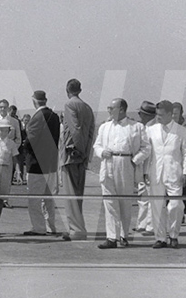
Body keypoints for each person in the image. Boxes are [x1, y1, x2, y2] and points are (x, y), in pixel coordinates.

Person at [92, 98, 150, 249]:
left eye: (112, 108)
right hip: (108, 163)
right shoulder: (104, 127)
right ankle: (111, 237)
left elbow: (146, 148)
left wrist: (135, 160)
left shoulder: (136, 127)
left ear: (122, 110)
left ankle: (124, 235)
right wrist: (101, 152)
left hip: (126, 164)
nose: (109, 110)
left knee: (124, 202)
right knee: (109, 202)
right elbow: (97, 145)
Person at [145, 100, 186, 249]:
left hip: (174, 174)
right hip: (155, 173)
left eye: (161, 115)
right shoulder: (151, 130)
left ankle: (173, 235)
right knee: (157, 207)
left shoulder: (181, 131)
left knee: (176, 206)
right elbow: (148, 153)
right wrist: (145, 172)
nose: (158, 117)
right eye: (157, 114)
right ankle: (160, 238)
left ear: (170, 115)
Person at [59, 78, 96, 241]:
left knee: (70, 193)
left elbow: (75, 129)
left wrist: (77, 151)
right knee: (78, 192)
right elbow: (90, 133)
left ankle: (76, 229)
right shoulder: (87, 108)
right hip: (82, 156)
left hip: (71, 155)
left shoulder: (69, 105)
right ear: (79, 90)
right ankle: (77, 227)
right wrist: (86, 153)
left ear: (67, 90)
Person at [22, 90, 61, 236]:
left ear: (34, 101)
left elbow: (30, 141)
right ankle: (51, 226)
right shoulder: (55, 117)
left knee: (34, 199)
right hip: (51, 164)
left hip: (36, 165)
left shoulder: (36, 118)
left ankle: (39, 227)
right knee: (49, 199)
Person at [134, 101, 157, 235]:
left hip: (151, 166)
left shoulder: (151, 128)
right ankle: (142, 223)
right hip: (144, 166)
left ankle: (150, 226)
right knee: (143, 195)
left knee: (150, 195)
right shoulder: (145, 127)